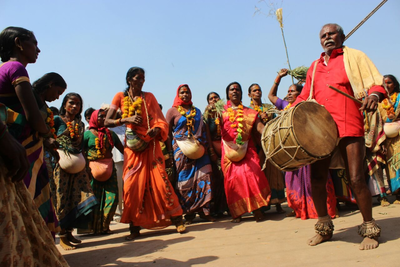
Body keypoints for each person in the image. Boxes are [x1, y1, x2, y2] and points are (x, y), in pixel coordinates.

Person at [292, 23, 386, 250]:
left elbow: (376, 82)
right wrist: (288, 113)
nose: (327, 38)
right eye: (323, 35)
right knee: (316, 178)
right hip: (320, 131)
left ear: (342, 36)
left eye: (332, 33)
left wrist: (373, 95)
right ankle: (324, 228)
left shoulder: (355, 57)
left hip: (349, 124)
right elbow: (303, 97)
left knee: (356, 179)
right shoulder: (314, 67)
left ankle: (369, 228)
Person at [0, 25, 68, 266]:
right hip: (22, 147)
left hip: (17, 143)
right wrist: (47, 134)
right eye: (34, 43)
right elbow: (31, 114)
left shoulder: (5, 69)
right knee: (29, 199)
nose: (38, 49)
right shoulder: (15, 68)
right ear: (19, 43)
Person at [104, 67, 185, 241]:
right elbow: (107, 121)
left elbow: (161, 121)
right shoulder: (119, 97)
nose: (141, 81)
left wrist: (157, 129)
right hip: (132, 149)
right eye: (137, 78)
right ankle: (135, 227)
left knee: (161, 182)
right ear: (129, 80)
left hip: (151, 146)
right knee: (132, 187)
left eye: (143, 78)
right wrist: (126, 120)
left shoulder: (149, 97)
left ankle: (177, 219)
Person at [268, 70, 337, 219]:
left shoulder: (307, 106)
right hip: (293, 151)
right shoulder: (285, 105)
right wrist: (278, 77)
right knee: (293, 182)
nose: (289, 94)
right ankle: (299, 209)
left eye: (292, 91)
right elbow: (271, 96)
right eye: (288, 91)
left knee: (315, 180)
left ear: (300, 93)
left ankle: (320, 210)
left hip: (308, 149)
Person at [52, 93, 98, 250]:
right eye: (71, 103)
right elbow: (51, 139)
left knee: (77, 197)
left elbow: (81, 147)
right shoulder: (57, 120)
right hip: (62, 166)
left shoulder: (80, 123)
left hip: (78, 167)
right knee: (62, 197)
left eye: (78, 104)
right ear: (64, 104)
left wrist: (85, 165)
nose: (75, 106)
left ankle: (70, 232)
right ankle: (62, 236)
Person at [220, 82, 271, 223]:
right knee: (233, 181)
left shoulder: (250, 112)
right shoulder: (221, 112)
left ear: (242, 93)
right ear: (227, 94)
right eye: (232, 89)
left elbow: (259, 127)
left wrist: (269, 132)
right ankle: (237, 213)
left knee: (253, 175)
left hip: (247, 149)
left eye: (238, 89)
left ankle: (257, 209)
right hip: (229, 152)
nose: (235, 91)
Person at [166, 84, 215, 224]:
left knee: (206, 177)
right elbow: (167, 134)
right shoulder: (172, 111)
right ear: (178, 94)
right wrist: (170, 153)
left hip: (200, 149)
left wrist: (208, 149)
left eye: (187, 92)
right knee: (184, 181)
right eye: (182, 92)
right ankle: (188, 214)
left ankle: (206, 211)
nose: (185, 95)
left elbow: (204, 129)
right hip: (181, 152)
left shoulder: (197, 111)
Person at [84, 109, 124, 234]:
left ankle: (104, 225)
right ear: (94, 118)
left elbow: (123, 150)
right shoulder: (87, 135)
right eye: (100, 117)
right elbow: (81, 151)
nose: (102, 119)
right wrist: (85, 168)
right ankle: (94, 228)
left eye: (104, 117)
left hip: (109, 169)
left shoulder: (111, 135)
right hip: (92, 171)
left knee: (112, 199)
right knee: (94, 200)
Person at [248, 83, 285, 213]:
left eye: (259, 90)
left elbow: (276, 121)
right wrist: (258, 119)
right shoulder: (247, 110)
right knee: (260, 175)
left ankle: (278, 203)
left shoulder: (268, 107)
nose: (257, 92)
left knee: (274, 173)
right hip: (256, 145)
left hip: (270, 144)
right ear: (249, 95)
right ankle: (263, 205)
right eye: (254, 90)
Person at [203, 92, 228, 217]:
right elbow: (206, 134)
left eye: (216, 97)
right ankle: (217, 208)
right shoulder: (207, 115)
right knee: (217, 179)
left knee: (228, 177)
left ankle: (230, 206)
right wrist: (211, 151)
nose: (214, 100)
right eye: (211, 98)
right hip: (213, 148)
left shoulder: (226, 111)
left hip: (227, 148)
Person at [378, 74, 400, 204]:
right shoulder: (380, 101)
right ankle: (394, 192)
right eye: (384, 83)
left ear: (395, 84)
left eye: (389, 82)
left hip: (398, 136)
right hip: (385, 137)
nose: (387, 85)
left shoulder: (399, 98)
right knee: (390, 165)